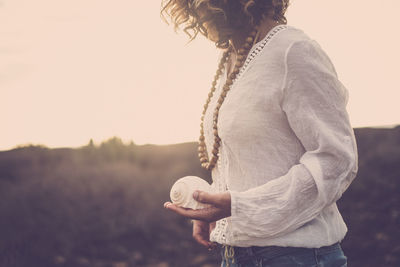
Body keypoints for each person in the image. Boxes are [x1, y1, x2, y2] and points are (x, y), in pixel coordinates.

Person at [161, 0, 358, 266]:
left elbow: (336, 161)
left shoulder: (293, 51)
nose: (197, 14)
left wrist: (240, 207)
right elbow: (250, 159)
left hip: (297, 256)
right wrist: (215, 212)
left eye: (201, 4)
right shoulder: (232, 58)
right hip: (234, 256)